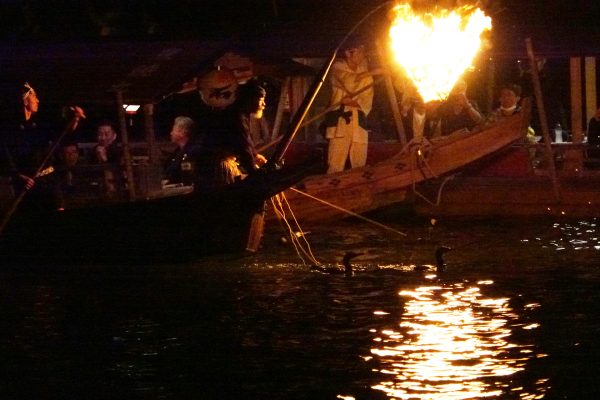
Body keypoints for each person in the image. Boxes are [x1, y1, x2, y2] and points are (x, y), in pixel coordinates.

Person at [0, 82, 85, 212]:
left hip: (49, 180)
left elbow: (63, 131)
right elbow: (6, 155)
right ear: (25, 101)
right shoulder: (11, 129)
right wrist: (18, 175)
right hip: (27, 185)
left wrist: (76, 118)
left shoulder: (39, 124)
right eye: (34, 97)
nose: (38, 100)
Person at [323, 37, 383, 173]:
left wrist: (357, 103)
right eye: (359, 52)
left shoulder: (365, 72)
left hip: (359, 120)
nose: (362, 55)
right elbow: (350, 84)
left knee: (359, 162)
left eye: (363, 52)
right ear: (348, 53)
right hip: (340, 121)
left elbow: (367, 98)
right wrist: (373, 73)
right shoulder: (337, 68)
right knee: (336, 162)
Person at [197, 78, 268, 188]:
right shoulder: (236, 116)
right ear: (251, 99)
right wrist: (255, 174)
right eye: (261, 99)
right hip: (217, 167)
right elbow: (243, 146)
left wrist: (255, 155)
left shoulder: (237, 113)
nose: (264, 104)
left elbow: (245, 142)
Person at [164, 116, 200, 186]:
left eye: (173, 130)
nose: (171, 133)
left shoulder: (193, 151)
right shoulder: (177, 152)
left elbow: (189, 178)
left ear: (182, 132)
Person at [90, 120, 123, 195]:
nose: (103, 138)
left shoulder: (120, 152)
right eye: (100, 134)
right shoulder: (92, 152)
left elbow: (118, 174)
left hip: (117, 190)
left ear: (114, 136)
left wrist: (104, 159)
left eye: (107, 134)